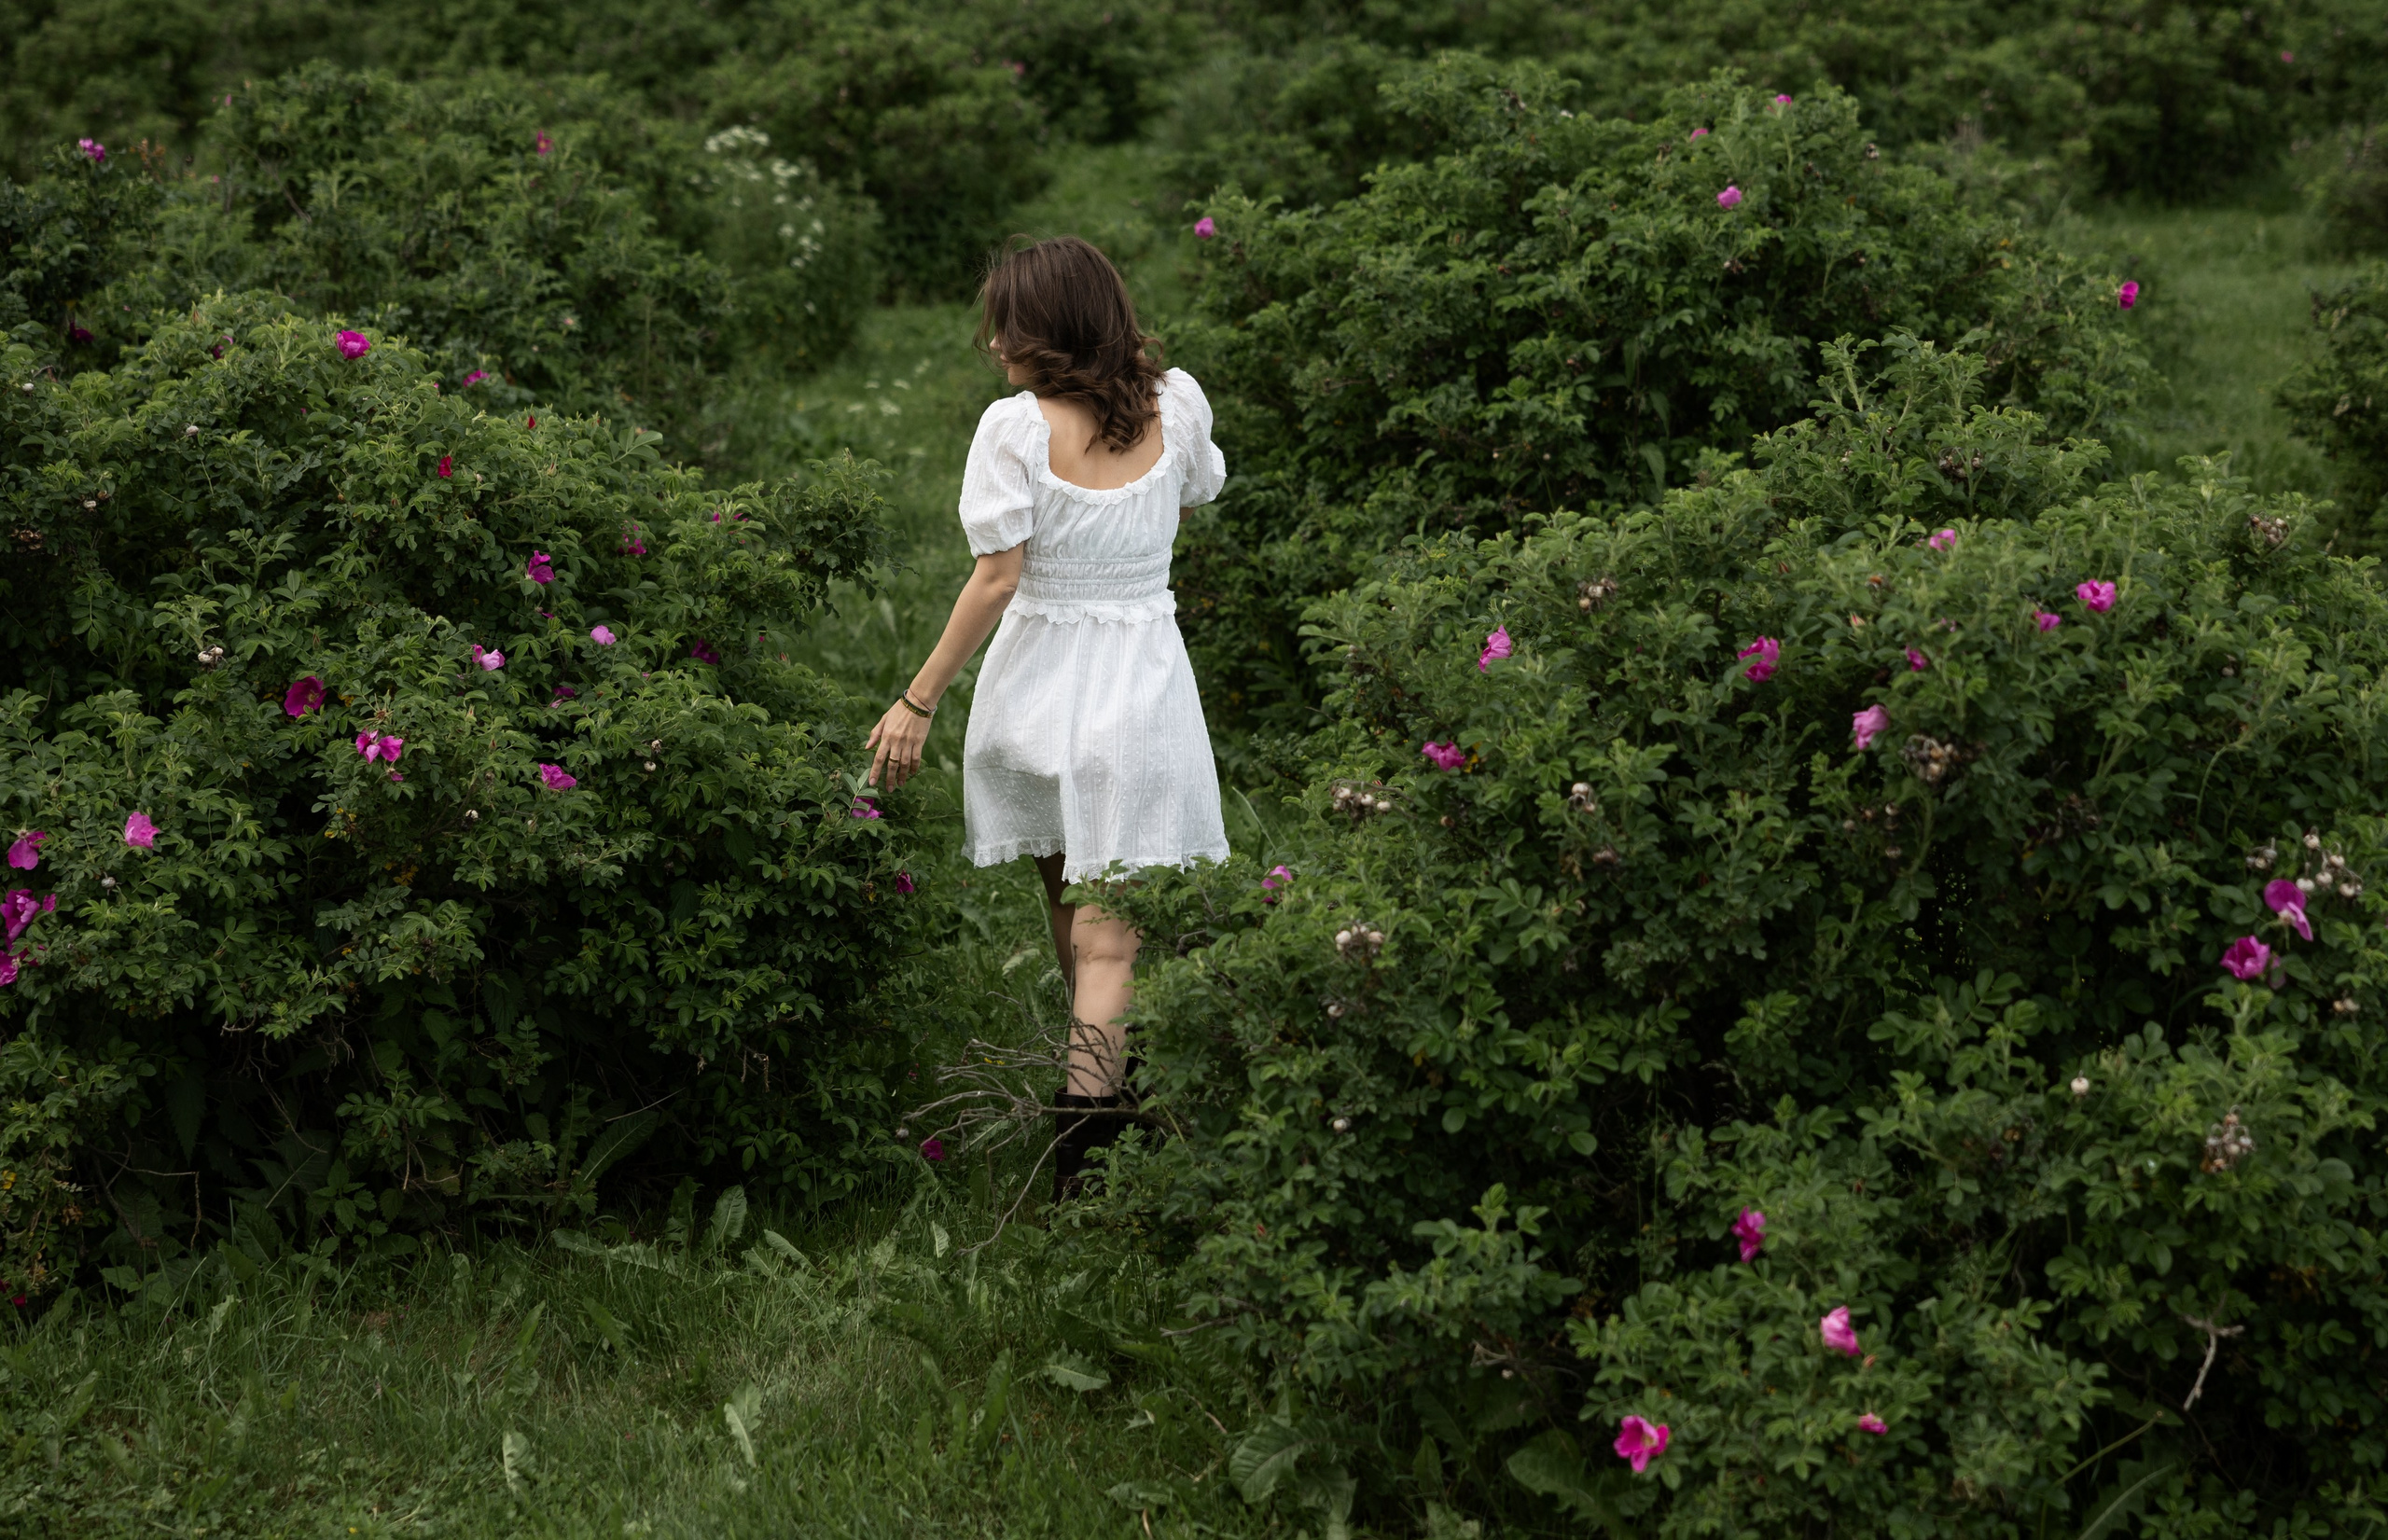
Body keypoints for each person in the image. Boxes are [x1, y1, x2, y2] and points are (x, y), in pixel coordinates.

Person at [865, 235, 1229, 1200]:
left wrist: (918, 699)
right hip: (1137, 696)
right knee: (1113, 940)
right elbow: (1185, 505)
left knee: (1077, 918)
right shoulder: (1176, 410)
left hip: (1033, 696)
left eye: (1009, 327)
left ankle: (1098, 1134)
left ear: (1052, 333)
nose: (994, 345)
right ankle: (1098, 1164)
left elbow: (998, 575)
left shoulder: (1018, 429)